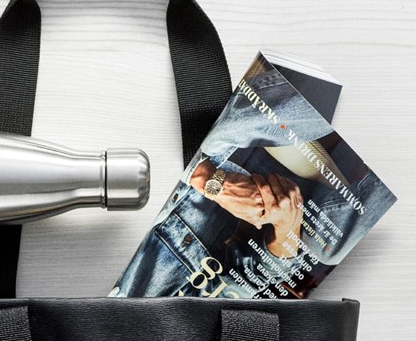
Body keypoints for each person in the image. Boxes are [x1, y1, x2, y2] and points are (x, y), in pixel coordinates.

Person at [112, 66, 394, 299]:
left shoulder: (119, 302)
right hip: (269, 203)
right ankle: (388, 146)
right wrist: (287, 226)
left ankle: (320, 88)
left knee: (230, 128)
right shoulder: (179, 338)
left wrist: (213, 182)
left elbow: (165, 171)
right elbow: (248, 281)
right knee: (333, 247)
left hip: (216, 155)